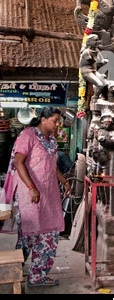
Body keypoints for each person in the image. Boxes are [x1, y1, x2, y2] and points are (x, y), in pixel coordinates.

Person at [0, 106, 71, 287]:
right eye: (54, 121)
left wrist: (64, 181)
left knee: (49, 234)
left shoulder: (52, 140)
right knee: (29, 235)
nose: (57, 124)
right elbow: (19, 163)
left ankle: (37, 277)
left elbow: (51, 165)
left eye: (58, 121)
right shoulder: (28, 136)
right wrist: (31, 188)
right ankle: (13, 270)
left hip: (49, 194)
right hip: (30, 194)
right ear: (43, 119)